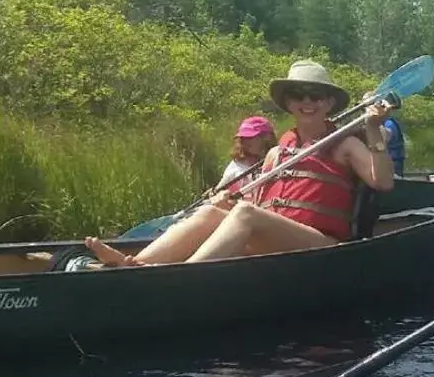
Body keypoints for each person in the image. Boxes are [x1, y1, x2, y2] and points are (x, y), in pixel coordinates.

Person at [83, 60, 395, 267]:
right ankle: (135, 266)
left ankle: (180, 278)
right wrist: (226, 202)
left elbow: (383, 182)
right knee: (210, 212)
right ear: (288, 102)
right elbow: (254, 205)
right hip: (276, 244)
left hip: (320, 247)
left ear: (328, 103)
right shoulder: (276, 153)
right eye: (299, 94)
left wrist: (371, 128)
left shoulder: (345, 144)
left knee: (245, 214)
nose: (308, 101)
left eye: (316, 95)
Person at [220, 116, 278, 193]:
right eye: (243, 138)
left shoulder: (279, 161)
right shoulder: (236, 166)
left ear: (267, 137)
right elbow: (219, 192)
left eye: (251, 137)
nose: (245, 142)